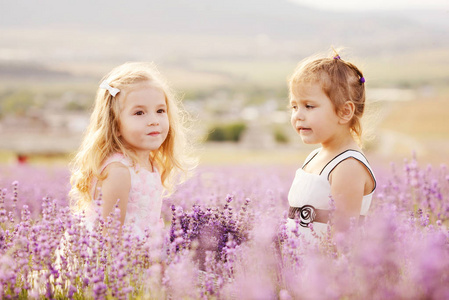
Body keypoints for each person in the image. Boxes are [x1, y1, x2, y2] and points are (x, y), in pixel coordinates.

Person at [69, 62, 195, 238]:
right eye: (139, 113)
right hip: (111, 260)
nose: (154, 120)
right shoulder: (119, 172)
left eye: (160, 110)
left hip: (140, 255)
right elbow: (109, 237)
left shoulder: (151, 164)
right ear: (115, 125)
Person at [286, 49, 376, 239]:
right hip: (297, 265)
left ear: (344, 112)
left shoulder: (347, 166)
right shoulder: (314, 157)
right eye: (294, 106)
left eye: (309, 106)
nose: (298, 115)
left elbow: (343, 241)